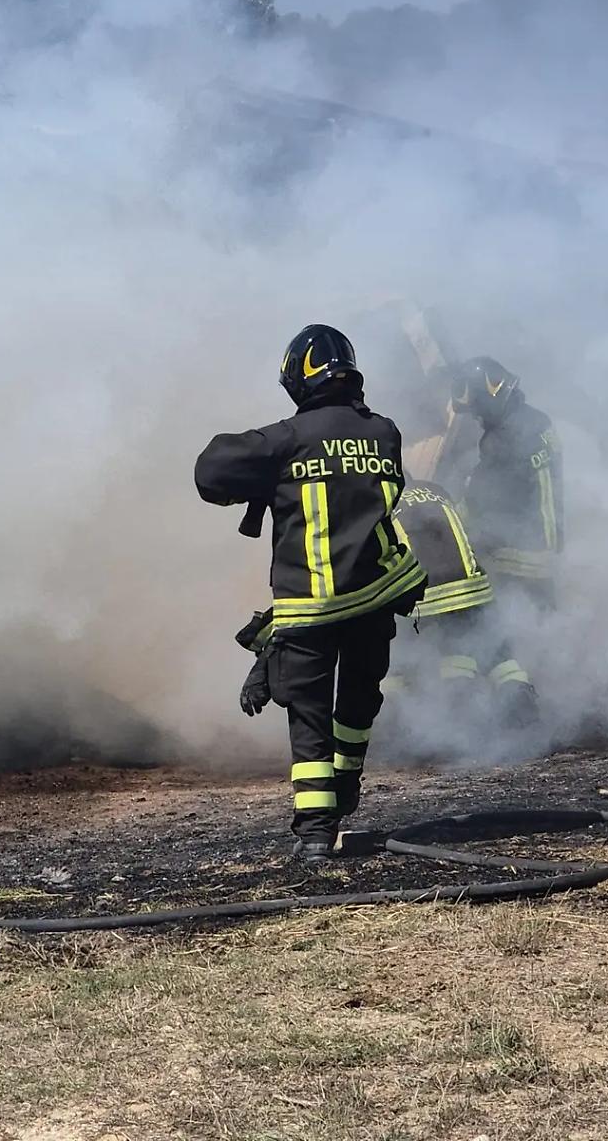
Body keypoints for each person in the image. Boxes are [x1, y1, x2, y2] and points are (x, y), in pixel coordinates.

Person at [195, 323, 426, 861]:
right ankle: (346, 789)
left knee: (309, 715)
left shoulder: (284, 440)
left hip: (311, 608)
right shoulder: (385, 432)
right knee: (357, 704)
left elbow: (211, 471)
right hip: (374, 596)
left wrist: (267, 474)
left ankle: (317, 833)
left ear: (298, 378)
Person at [385, 476, 539, 728]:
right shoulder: (436, 490)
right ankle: (521, 706)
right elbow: (466, 528)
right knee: (494, 654)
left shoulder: (380, 501)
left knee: (399, 656)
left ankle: (397, 723)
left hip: (425, 594)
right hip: (473, 587)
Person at [450, 355, 563, 618]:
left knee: (505, 629)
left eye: (477, 410)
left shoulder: (502, 438)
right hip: (549, 548)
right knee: (545, 626)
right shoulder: (539, 421)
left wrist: (450, 524)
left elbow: (479, 496)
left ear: (489, 395)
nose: (476, 418)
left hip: (519, 556)